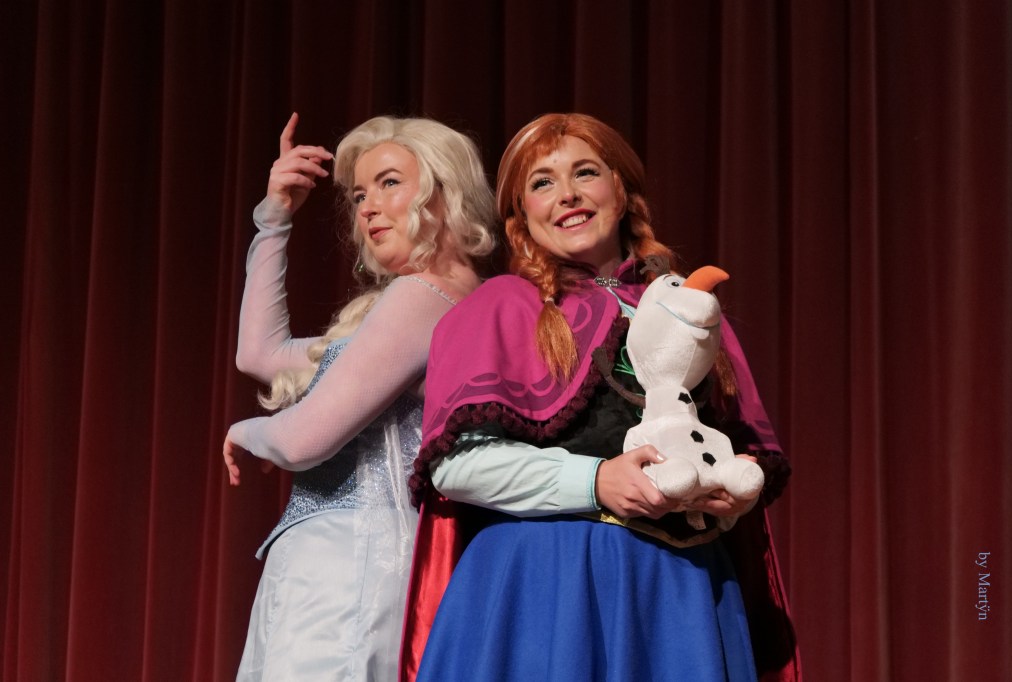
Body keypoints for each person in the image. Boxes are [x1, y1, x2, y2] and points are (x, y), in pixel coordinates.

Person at [401, 113, 800, 681]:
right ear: (521, 215)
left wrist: (727, 497)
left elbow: (733, 451)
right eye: (542, 182)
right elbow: (458, 467)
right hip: (550, 583)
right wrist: (596, 481)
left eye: (585, 172)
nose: (567, 194)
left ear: (622, 189)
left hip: (680, 590)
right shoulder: (501, 307)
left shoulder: (689, 310)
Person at [222, 112, 496, 681]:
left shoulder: (421, 296)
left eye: (389, 182)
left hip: (350, 568)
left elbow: (303, 440)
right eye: (359, 195)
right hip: (349, 564)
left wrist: (244, 432)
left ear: (445, 189)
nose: (367, 207)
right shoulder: (433, 302)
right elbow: (261, 354)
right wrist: (274, 218)